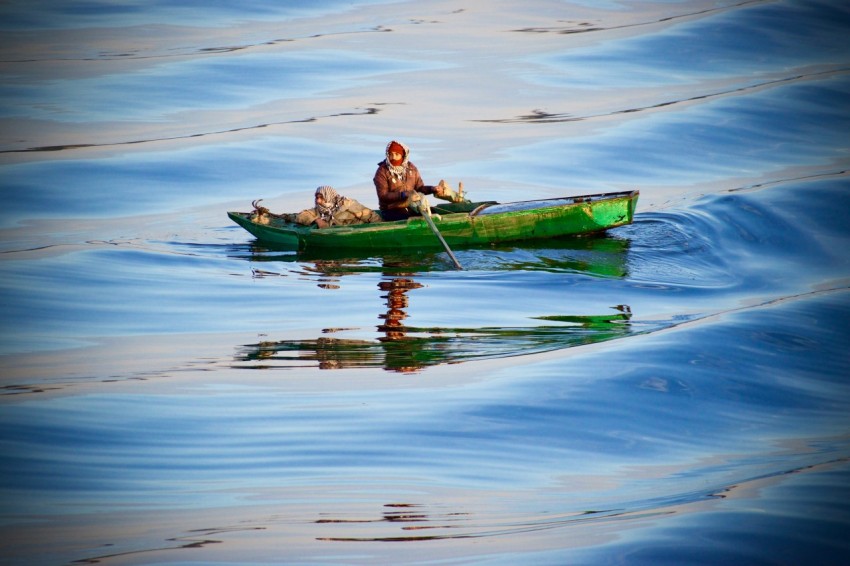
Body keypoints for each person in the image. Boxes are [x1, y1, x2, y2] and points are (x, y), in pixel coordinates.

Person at [373, 140, 465, 221]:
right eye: (390, 154)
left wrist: (433, 189)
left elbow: (420, 188)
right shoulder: (382, 171)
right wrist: (404, 194)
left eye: (396, 154)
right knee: (410, 220)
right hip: (391, 210)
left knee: (433, 213)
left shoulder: (411, 168)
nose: (393, 158)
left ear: (403, 155)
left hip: (412, 206)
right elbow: (383, 196)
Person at [292, 185, 382, 228]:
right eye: (317, 197)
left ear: (328, 196)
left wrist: (381, 226)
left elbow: (369, 214)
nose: (318, 201)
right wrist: (317, 220)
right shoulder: (319, 210)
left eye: (321, 197)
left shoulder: (347, 204)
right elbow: (301, 215)